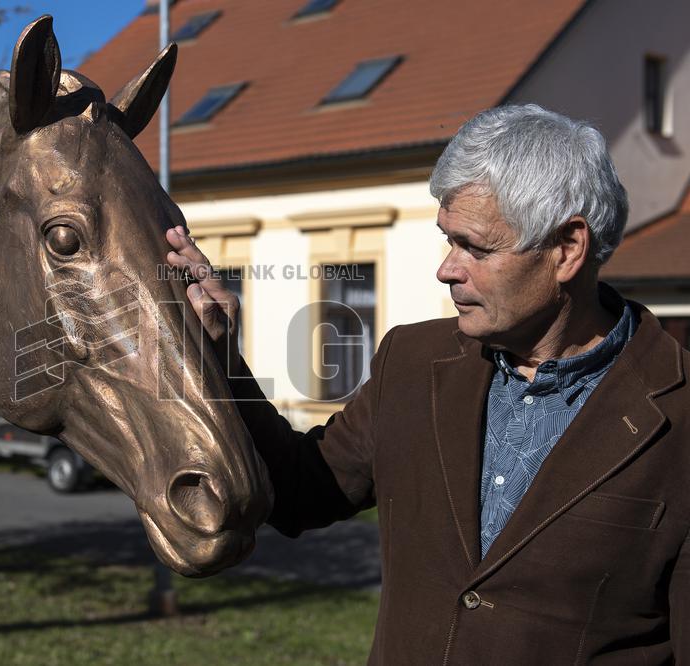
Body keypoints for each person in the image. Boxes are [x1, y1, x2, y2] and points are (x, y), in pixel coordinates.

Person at [165, 104, 690, 664]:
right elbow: (298, 490)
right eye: (448, 240)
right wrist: (219, 355)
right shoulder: (411, 362)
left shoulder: (678, 413)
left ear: (567, 249)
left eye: (475, 248)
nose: (447, 269)